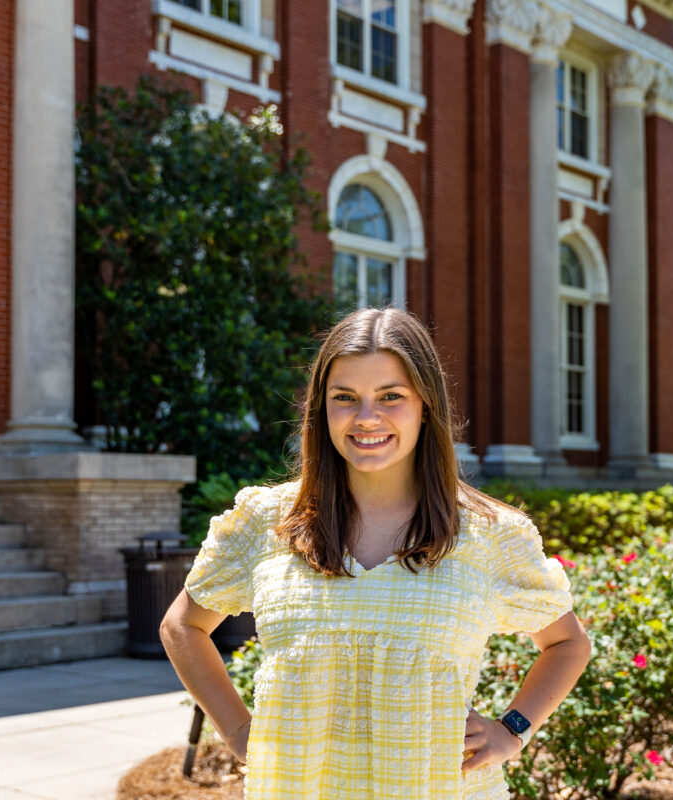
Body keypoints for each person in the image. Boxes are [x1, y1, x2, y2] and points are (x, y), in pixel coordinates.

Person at [160, 307, 592, 799]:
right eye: (345, 398)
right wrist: (238, 731)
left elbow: (568, 644)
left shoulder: (492, 535)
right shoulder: (267, 518)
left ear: (426, 405)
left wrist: (513, 729)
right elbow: (182, 626)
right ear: (321, 408)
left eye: (391, 396)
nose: (367, 418)